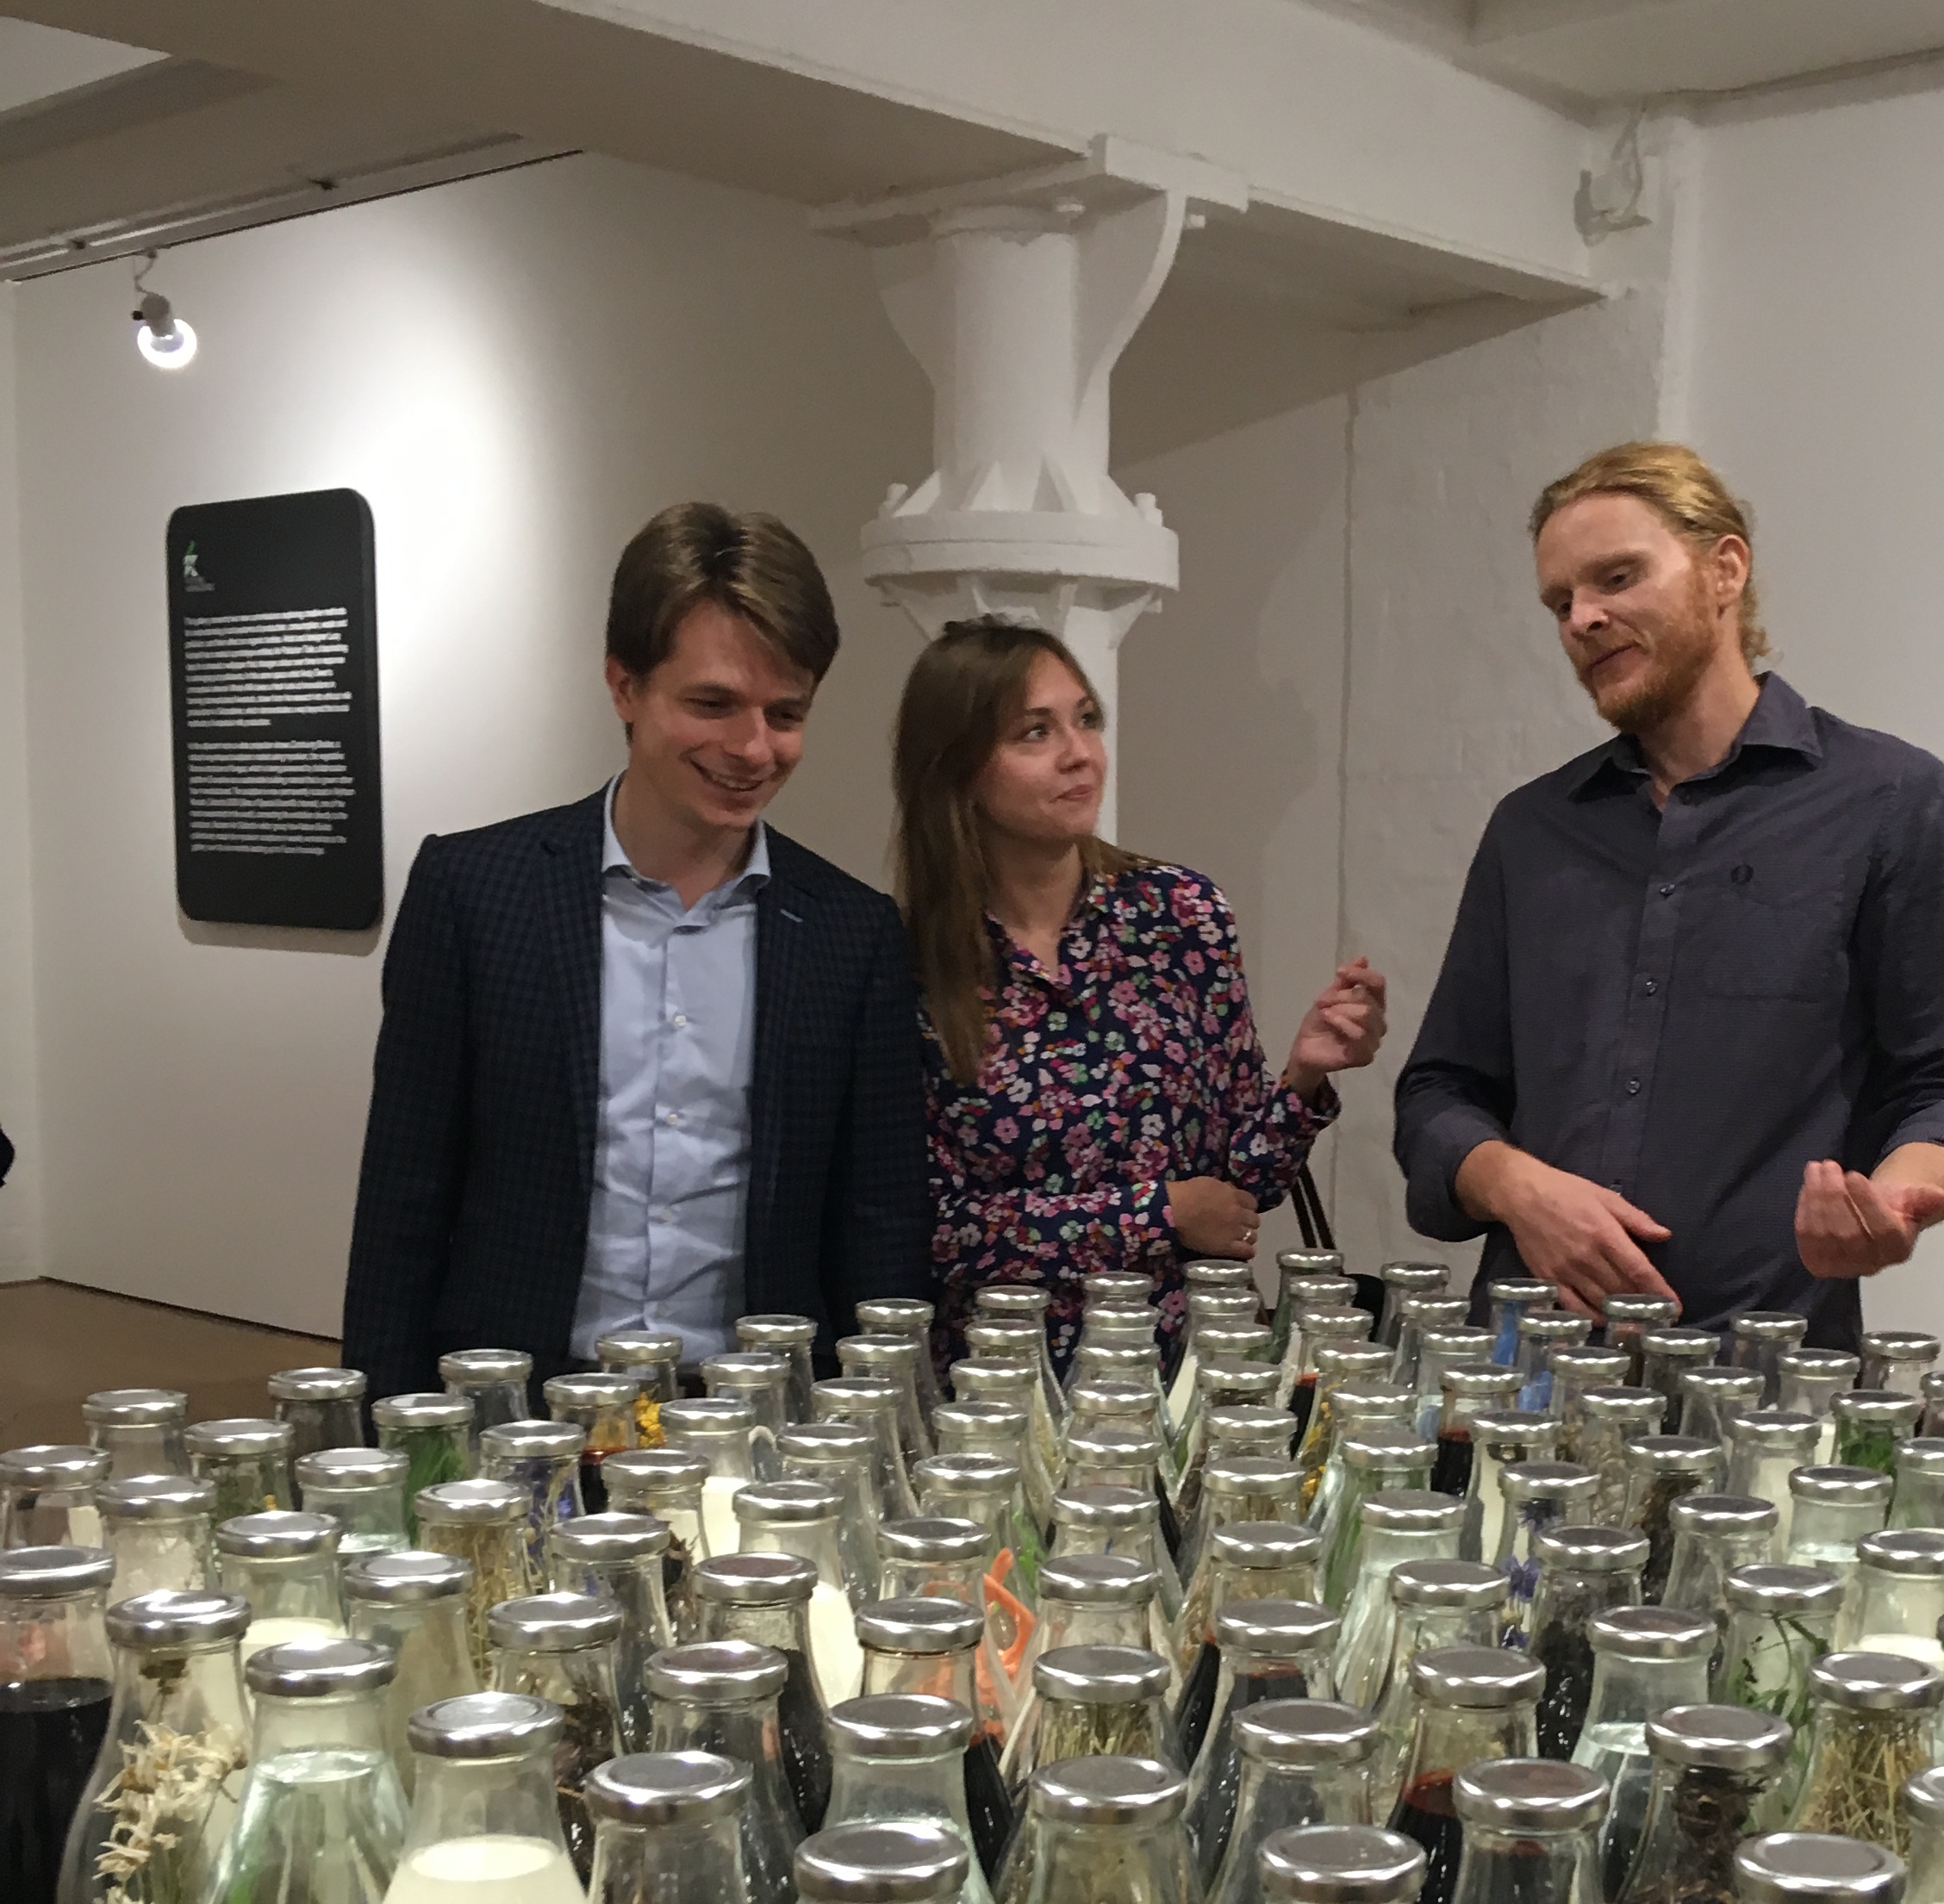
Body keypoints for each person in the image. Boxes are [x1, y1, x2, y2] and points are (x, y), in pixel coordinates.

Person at [1393, 443, 1944, 1340]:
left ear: (1725, 570)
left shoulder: (1889, 801)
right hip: (1530, 1363)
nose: (1584, 618)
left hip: (1760, 1370)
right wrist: (1515, 1186)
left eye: (1618, 577)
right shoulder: (1532, 830)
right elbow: (1439, 1092)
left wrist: (1893, 1199)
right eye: (1560, 602)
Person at [341, 502, 929, 1403]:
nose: (753, 747)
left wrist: (878, 1423)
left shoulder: (850, 932)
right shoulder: (476, 893)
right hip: (516, 1404)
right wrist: (390, 1428)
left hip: (750, 1413)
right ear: (624, 685)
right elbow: (403, 1199)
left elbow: (878, 1225)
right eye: (712, 704)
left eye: (785, 713)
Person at [894, 617, 1384, 1367]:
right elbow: (932, 1227)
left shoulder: (1180, 913)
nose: (1080, 753)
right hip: (1007, 1385)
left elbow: (1240, 1192)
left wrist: (1303, 1077)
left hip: (1191, 1370)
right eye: (1035, 732)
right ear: (956, 768)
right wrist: (1154, 1213)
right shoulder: (911, 963)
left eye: (1086, 719)